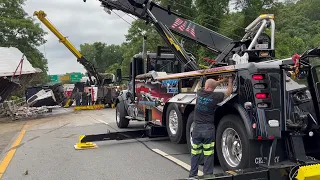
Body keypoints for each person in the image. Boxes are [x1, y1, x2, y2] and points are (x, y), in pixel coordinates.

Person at [189, 76, 234, 178]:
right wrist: (230, 81)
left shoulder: (199, 92)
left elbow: (211, 84)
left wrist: (221, 81)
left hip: (196, 128)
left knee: (195, 153)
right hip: (208, 129)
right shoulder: (215, 96)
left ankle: (192, 175)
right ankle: (208, 175)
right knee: (208, 153)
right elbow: (228, 92)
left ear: (206, 86)